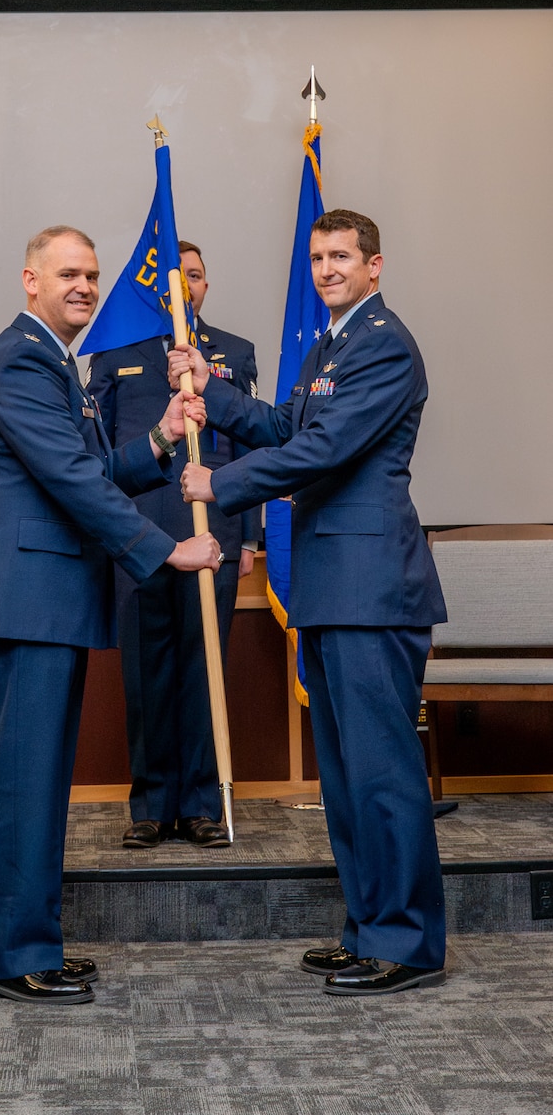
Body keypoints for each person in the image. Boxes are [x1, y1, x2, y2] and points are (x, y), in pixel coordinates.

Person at [172, 209, 448, 996]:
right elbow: (289, 422)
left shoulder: (386, 344)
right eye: (318, 257)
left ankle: (408, 943)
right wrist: (210, 388)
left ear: (374, 266)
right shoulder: (330, 345)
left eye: (341, 257)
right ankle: (369, 928)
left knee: (383, 775)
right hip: (330, 587)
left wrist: (219, 484)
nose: (327, 269)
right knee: (346, 776)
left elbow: (325, 450)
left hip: (372, 588)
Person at [0, 225, 221, 1006]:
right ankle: (7, 955)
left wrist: (163, 438)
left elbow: (93, 468)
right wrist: (164, 552)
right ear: (29, 280)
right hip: (24, 608)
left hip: (44, 607)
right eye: (67, 273)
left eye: (93, 275)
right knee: (19, 789)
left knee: (36, 788)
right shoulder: (20, 360)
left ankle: (27, 941)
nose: (84, 286)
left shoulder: (53, 364)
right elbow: (72, 480)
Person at [88, 241, 260, 848]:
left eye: (197, 276)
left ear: (206, 285)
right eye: (175, 277)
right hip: (137, 534)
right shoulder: (113, 352)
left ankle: (202, 805)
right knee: (146, 670)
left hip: (215, 533)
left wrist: (252, 539)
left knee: (203, 666)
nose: (187, 286)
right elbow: (100, 455)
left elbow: (250, 450)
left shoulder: (233, 355)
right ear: (155, 288)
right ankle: (151, 804)